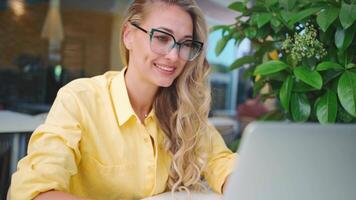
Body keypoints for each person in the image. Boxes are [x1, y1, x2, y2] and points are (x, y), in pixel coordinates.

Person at [9, 0, 237, 199]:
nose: (174, 56)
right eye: (161, 37)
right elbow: (33, 192)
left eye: (186, 44)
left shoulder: (183, 111)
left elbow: (221, 162)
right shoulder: (80, 100)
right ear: (128, 35)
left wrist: (237, 182)